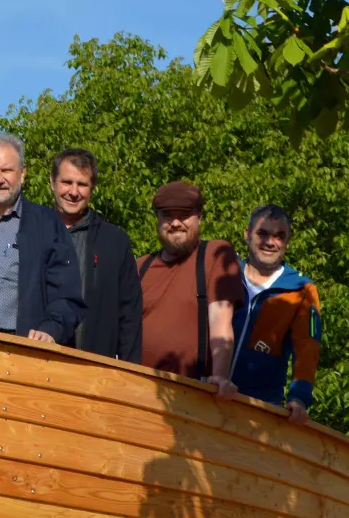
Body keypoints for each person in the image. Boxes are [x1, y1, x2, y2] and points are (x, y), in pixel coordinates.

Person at [0, 132, 84, 343]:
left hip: (23, 349)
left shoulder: (48, 225)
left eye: (7, 170)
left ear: (22, 173)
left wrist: (51, 329)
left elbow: (67, 294)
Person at [137, 181, 245, 396]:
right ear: (157, 220)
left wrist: (220, 377)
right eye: (167, 215)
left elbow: (220, 319)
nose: (175, 222)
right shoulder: (139, 267)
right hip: (138, 389)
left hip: (191, 395)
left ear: (199, 217)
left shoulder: (215, 255)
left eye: (184, 215)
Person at [231, 204, 321, 422]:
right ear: (247, 235)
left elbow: (308, 350)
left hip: (260, 408)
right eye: (262, 233)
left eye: (279, 236)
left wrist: (299, 398)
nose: (270, 242)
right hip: (206, 390)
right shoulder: (226, 275)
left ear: (288, 243)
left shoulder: (302, 290)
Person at [51, 148, 142, 362]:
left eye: (82, 184)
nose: (74, 192)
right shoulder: (33, 232)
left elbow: (129, 314)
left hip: (94, 368)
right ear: (52, 182)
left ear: (92, 189)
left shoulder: (115, 242)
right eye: (67, 182)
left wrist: (129, 372)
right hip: (39, 363)